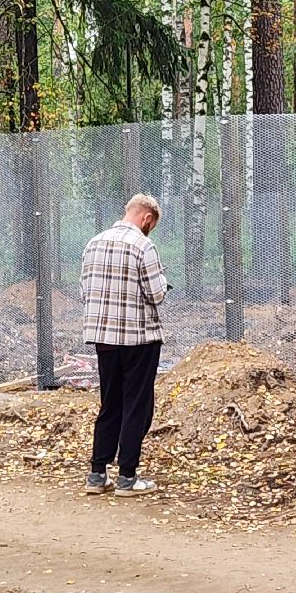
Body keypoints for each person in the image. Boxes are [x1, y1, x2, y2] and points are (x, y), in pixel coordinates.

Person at [80, 192, 168, 496]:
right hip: (138, 338)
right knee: (136, 405)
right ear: (146, 218)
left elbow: (85, 290)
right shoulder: (143, 246)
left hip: (104, 338)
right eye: (151, 225)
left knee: (110, 403)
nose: (150, 230)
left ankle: (97, 474)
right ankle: (127, 477)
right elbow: (156, 294)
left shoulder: (93, 243)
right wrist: (162, 282)